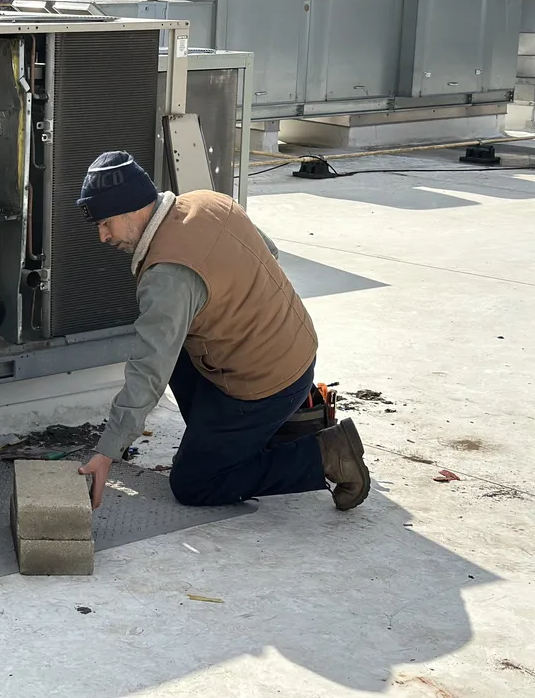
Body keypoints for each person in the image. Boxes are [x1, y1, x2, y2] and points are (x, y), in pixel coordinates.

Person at [72, 150, 371, 513]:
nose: (103, 237)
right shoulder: (206, 201)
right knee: (175, 343)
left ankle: (326, 455)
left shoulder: (167, 276)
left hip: (266, 383)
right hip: (297, 347)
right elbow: (269, 251)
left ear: (133, 209)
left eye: (106, 224)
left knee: (196, 482)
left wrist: (107, 452)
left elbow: (148, 373)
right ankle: (243, 438)